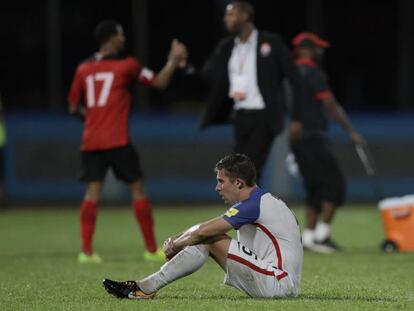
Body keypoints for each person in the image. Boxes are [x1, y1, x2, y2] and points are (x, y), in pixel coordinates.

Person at [68, 20, 188, 263]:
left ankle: (86, 252)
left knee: (92, 194)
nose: (124, 39)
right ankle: (151, 248)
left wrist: (92, 120)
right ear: (111, 38)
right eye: (121, 35)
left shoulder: (83, 68)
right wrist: (173, 62)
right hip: (117, 139)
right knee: (137, 190)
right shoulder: (127, 65)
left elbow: (72, 107)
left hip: (91, 140)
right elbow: (159, 82)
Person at [103, 153, 303, 299]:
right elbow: (204, 228)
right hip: (279, 281)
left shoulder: (253, 204)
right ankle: (144, 287)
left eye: (221, 181)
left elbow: (204, 231)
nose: (217, 187)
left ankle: (144, 288)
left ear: (239, 183)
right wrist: (180, 240)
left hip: (278, 283)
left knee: (209, 238)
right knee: (206, 236)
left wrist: (175, 244)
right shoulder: (259, 201)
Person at [199, 1, 304, 180]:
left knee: (249, 169)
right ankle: (253, 207)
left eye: (231, 14)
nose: (226, 19)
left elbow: (295, 79)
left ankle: (249, 207)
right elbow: (207, 75)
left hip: (264, 116)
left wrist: (297, 117)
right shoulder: (227, 47)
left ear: (245, 16)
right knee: (240, 172)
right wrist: (183, 65)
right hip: (240, 117)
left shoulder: (270, 42)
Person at [289, 32, 364, 253]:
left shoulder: (290, 73)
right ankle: (322, 236)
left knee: (313, 187)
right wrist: (351, 131)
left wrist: (293, 121)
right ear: (309, 49)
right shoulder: (313, 72)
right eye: (318, 48)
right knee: (336, 185)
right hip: (313, 136)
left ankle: (309, 237)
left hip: (296, 138)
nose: (320, 52)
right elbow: (330, 105)